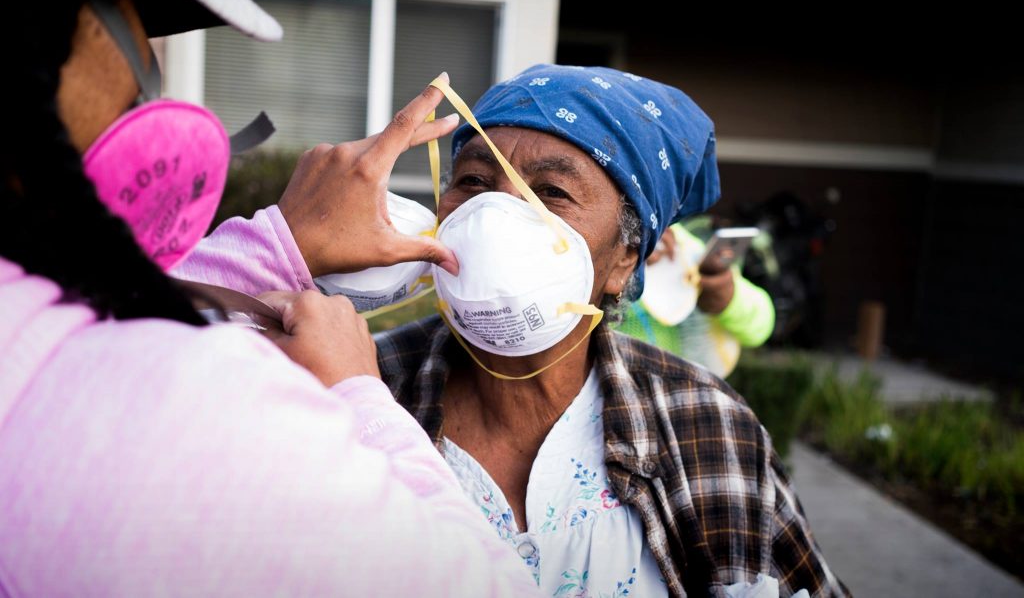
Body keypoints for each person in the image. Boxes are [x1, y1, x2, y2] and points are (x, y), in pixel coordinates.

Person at [0, 0, 539, 594]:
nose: (153, 85)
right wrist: (357, 391)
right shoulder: (184, 408)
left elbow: (75, 318)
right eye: (129, 36)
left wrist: (278, 242)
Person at [183, 64, 849, 597]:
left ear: (625, 260)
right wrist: (285, 246)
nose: (496, 217)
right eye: (472, 180)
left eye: (551, 193)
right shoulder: (347, 385)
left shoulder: (706, 424)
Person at [616, 220, 775, 377]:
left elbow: (762, 325)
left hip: (682, 393)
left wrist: (730, 299)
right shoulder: (607, 237)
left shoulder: (684, 244)